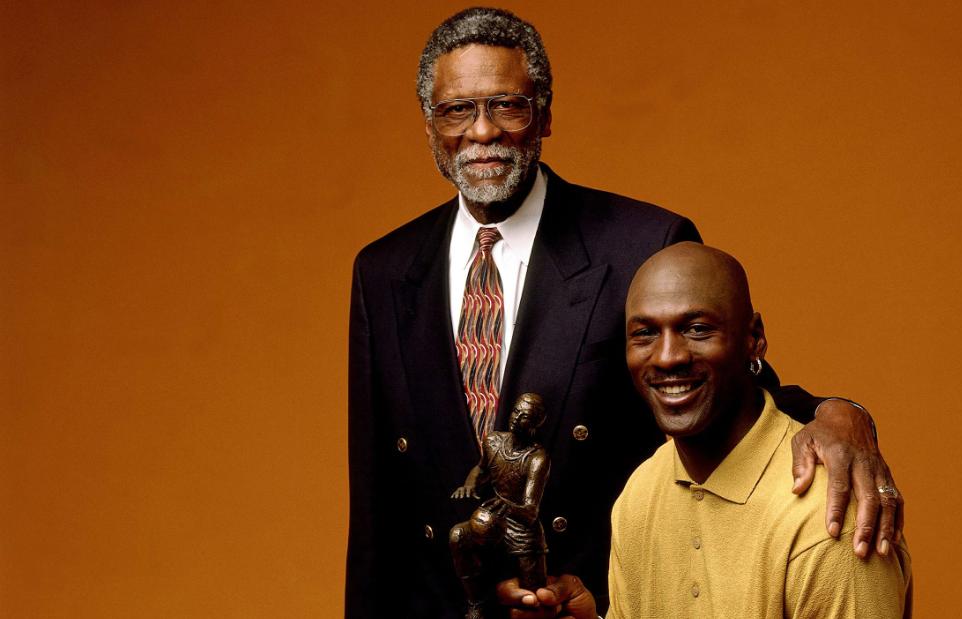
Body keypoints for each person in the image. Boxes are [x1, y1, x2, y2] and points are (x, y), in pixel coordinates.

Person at [346, 8, 901, 618]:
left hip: (590, 605)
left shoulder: (640, 242)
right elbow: (376, 507)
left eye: (508, 105)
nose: (483, 132)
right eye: (458, 110)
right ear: (430, 124)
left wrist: (840, 414)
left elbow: (729, 385)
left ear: (545, 114)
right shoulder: (384, 270)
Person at [499, 243, 912, 618]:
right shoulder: (640, 493)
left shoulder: (830, 522)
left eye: (697, 329)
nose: (667, 357)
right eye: (644, 333)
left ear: (754, 339)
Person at [450, 393, 552, 619]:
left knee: (534, 601)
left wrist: (506, 505)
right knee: (458, 535)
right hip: (494, 519)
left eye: (525, 416)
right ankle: (476, 602)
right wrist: (469, 484)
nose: (516, 418)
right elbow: (481, 469)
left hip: (523, 529)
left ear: (536, 423)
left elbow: (531, 512)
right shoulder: (494, 441)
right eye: (516, 411)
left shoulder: (537, 458)